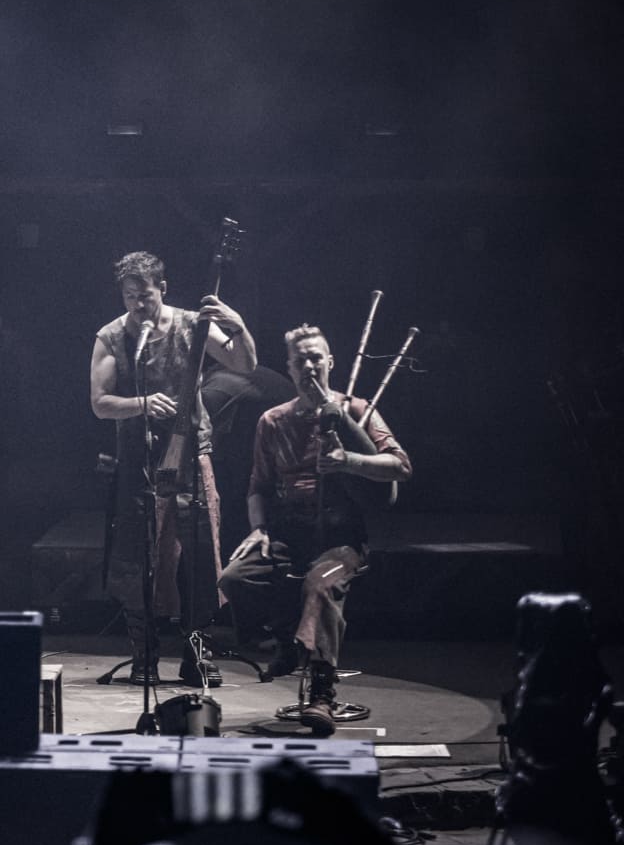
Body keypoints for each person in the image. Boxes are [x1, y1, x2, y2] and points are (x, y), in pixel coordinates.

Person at [219, 324, 411, 735]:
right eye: (299, 359)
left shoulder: (356, 409)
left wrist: (350, 462)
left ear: (330, 362)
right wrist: (258, 529)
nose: (308, 365)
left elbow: (400, 466)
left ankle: (323, 693)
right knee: (235, 577)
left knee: (319, 584)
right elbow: (258, 486)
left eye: (315, 357)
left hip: (339, 540)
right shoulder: (273, 421)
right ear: (288, 367)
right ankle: (290, 643)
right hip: (289, 532)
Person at [88, 251, 256, 685]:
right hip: (139, 464)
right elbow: (100, 404)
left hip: (190, 459)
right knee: (137, 557)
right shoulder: (111, 336)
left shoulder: (191, 325)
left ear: (163, 288)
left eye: (145, 295)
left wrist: (236, 322)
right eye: (130, 297)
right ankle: (144, 652)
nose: (138, 305)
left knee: (200, 557)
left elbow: (245, 364)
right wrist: (141, 403)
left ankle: (196, 649)